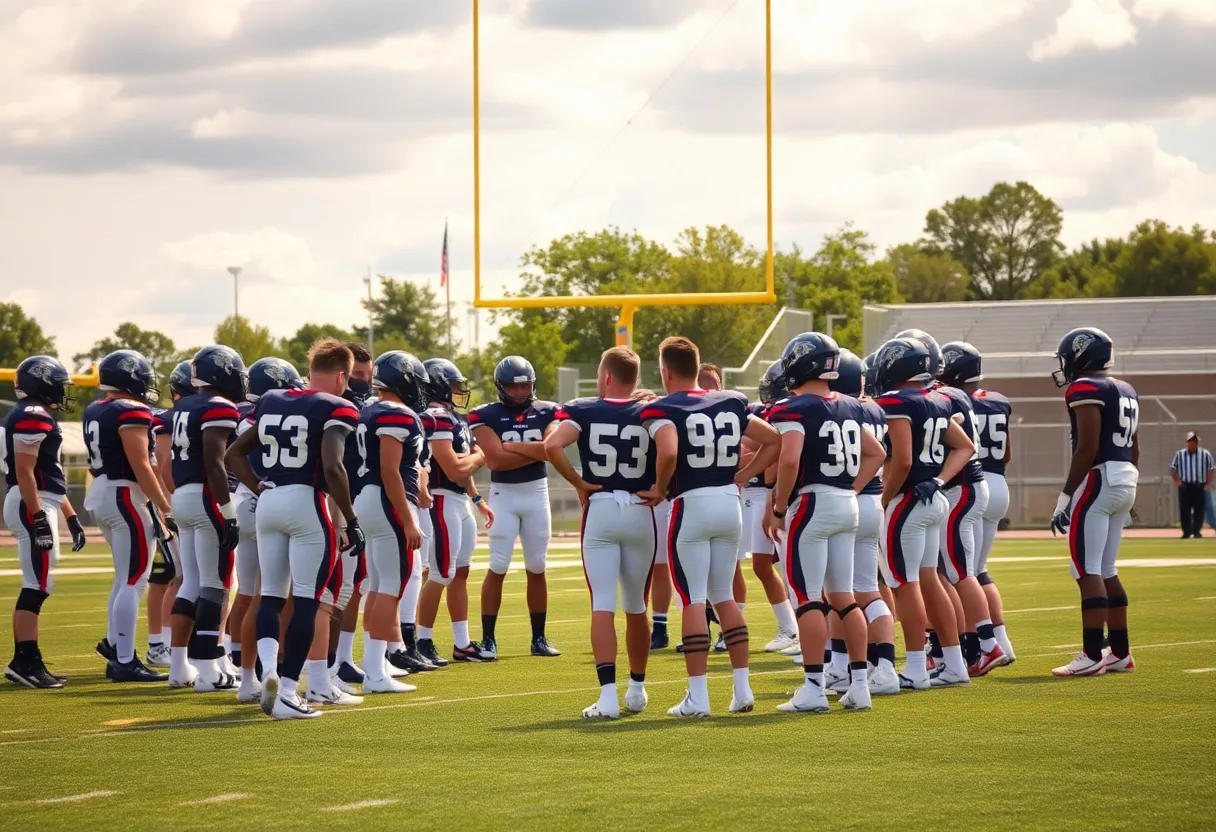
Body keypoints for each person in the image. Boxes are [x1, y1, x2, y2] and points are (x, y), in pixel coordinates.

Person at [639, 336, 781, 717]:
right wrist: (743, 474)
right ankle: (742, 689)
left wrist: (657, 487)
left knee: (693, 599)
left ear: (666, 372)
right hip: (729, 503)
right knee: (725, 597)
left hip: (692, 504)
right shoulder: (730, 400)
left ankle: (698, 697)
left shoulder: (663, 408)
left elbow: (668, 451)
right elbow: (773, 439)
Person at [225, 337, 366, 719]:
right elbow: (334, 467)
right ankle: (288, 691)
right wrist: (351, 520)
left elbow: (233, 453)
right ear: (341, 376)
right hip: (307, 502)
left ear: (309, 372)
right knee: (306, 598)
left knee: (270, 595)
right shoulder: (338, 406)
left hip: (268, 502)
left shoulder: (272, 400)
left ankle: (269, 670)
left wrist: (258, 486)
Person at [766, 335, 886, 713]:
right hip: (847, 504)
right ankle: (861, 685)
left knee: (807, 599)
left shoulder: (794, 408)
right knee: (845, 598)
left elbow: (788, 461)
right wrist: (849, 488)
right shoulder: (852, 405)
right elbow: (877, 453)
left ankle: (815, 688)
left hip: (813, 504)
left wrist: (780, 507)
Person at [544, 346, 656, 719]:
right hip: (642, 510)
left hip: (603, 507)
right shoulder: (652, 410)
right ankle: (637, 690)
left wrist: (579, 481)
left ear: (606, 376)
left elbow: (551, 445)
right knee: (638, 605)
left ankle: (608, 698)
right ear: (635, 378)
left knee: (602, 603)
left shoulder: (585, 408)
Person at [871, 337, 976, 690]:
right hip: (933, 500)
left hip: (907, 502)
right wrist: (940, 479)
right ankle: (955, 663)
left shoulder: (896, 402)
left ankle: (916, 666)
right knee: (929, 579)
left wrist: (882, 500)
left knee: (905, 584)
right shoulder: (938, 400)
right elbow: (965, 447)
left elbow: (900, 459)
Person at [1049, 327, 1139, 677]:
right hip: (1124, 476)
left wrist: (1065, 497)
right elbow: (1135, 447)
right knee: (1106, 569)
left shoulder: (1084, 388)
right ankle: (1119, 651)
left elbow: (1086, 447)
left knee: (1086, 570)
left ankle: (1091, 654)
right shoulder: (1126, 389)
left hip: (1099, 478)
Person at [83, 349, 177, 682]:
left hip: (107, 494)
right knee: (134, 581)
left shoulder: (96, 408)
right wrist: (166, 508)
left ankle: (115, 646)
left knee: (125, 578)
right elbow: (141, 464)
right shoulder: (130, 410)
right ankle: (124, 659)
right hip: (125, 496)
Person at [3, 356, 87, 688]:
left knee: (40, 581)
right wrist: (38, 515)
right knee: (36, 583)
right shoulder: (32, 415)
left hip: (37, 500)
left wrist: (71, 515)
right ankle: (24, 661)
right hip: (30, 502)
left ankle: (26, 658)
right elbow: (25, 472)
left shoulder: (35, 414)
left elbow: (48, 478)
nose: (62, 390)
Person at [470, 356, 561, 660]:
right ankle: (488, 640)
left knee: (537, 565)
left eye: (525, 385)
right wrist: (535, 451)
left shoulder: (548, 410)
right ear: (501, 387)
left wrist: (510, 447)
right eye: (513, 386)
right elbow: (494, 460)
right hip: (503, 496)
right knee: (497, 565)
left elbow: (551, 449)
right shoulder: (486, 414)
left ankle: (539, 638)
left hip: (537, 494)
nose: (521, 392)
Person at [167, 345, 246, 692]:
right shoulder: (218, 407)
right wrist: (228, 511)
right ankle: (208, 668)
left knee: (192, 583)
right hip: (206, 496)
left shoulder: (183, 405)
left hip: (183, 495)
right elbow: (216, 461)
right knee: (217, 583)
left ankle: (179, 665)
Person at [351, 351, 428, 694]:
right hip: (386, 500)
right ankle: (375, 674)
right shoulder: (395, 413)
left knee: (380, 585)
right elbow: (390, 470)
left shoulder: (369, 408)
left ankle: (375, 664)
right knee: (390, 588)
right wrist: (408, 521)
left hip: (368, 499)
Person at [826, 349, 900, 696]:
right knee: (854, 589)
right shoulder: (873, 406)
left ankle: (879, 667)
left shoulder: (843, 407)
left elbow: (876, 454)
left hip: (854, 498)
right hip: (871, 501)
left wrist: (849, 490)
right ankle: (856, 665)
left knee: (851, 591)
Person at [231, 356, 304, 702]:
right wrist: (260, 486)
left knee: (250, 593)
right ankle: (270, 669)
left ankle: (247, 678)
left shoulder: (245, 416)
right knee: (272, 595)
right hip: (268, 502)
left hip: (245, 504)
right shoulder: (270, 417)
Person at [414, 359, 494, 665]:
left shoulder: (454, 419)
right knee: (441, 573)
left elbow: (464, 468)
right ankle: (422, 640)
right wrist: (479, 457)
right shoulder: (435, 418)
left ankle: (462, 644)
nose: (458, 391)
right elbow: (453, 466)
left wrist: (476, 499)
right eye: (452, 385)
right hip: (440, 498)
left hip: (459, 499)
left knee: (460, 572)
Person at [941, 342, 1017, 664]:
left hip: (968, 482)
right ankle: (1000, 642)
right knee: (978, 570)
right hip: (997, 482)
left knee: (959, 572)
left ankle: (975, 645)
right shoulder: (998, 402)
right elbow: (1008, 453)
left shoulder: (950, 401)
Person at [328, 342, 375, 693]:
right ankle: (323, 665)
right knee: (331, 589)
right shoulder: (332, 407)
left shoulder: (365, 408)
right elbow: (334, 466)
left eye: (368, 376)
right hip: (332, 503)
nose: (363, 383)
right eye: (357, 376)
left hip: (350, 501)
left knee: (352, 584)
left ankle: (339, 659)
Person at [743, 362, 799, 654]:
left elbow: (775, 454)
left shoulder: (791, 412)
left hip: (780, 495)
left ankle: (798, 631)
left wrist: (772, 501)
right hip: (769, 494)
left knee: (795, 569)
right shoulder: (768, 412)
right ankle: (792, 628)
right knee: (765, 564)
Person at [144, 361, 192, 669]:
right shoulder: (169, 419)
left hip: (172, 501)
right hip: (170, 502)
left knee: (174, 577)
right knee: (175, 576)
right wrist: (170, 504)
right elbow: (163, 464)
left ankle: (163, 643)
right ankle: (160, 643)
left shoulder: (172, 416)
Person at [1171, 432, 1214, 539]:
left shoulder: (1205, 454)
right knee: (1184, 509)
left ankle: (1196, 532)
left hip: (1199, 485)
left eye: (1194, 441)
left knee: (1199, 510)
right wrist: (1178, 481)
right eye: (1190, 441)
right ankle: (1186, 532)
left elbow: (1211, 469)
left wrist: (1208, 483)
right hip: (1185, 485)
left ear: (1198, 442)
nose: (1193, 443)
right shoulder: (1180, 454)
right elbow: (1173, 468)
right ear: (1187, 443)